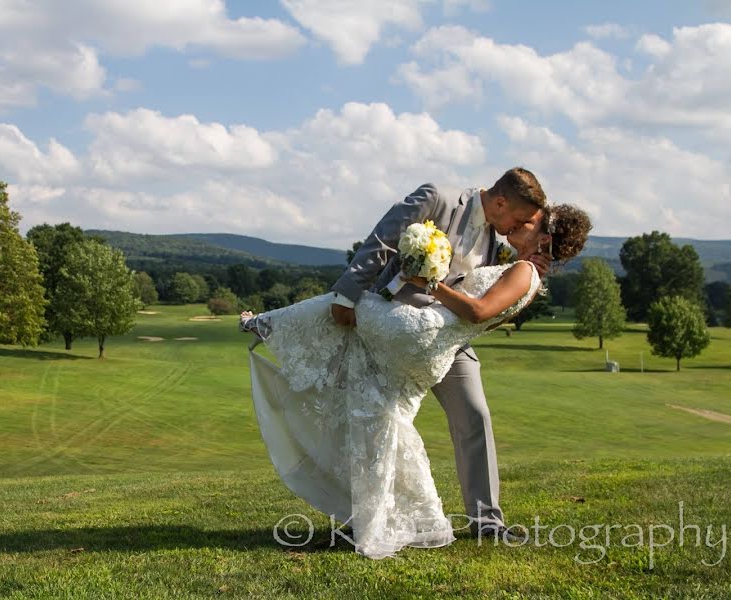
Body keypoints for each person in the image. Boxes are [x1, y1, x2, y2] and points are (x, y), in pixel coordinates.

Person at [241, 201, 592, 559]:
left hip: (424, 332)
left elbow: (481, 312)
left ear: (545, 236)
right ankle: (379, 512)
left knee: (357, 310)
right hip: (433, 339)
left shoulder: (521, 270)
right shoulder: (516, 262)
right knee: (384, 412)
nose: (519, 222)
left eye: (530, 221)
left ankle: (267, 324)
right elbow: (492, 316)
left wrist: (429, 281)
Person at [332, 168, 549, 542]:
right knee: (383, 422)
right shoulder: (437, 198)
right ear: (500, 202)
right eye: (519, 218)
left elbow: (487, 297)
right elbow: (381, 242)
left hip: (447, 338)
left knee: (474, 415)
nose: (519, 227)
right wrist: (346, 296)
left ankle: (487, 524)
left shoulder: (498, 238)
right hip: (397, 327)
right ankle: (365, 521)